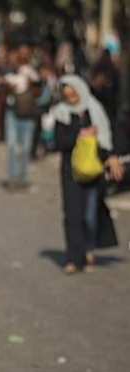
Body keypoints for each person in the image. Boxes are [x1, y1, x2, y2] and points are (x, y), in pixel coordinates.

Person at [53, 75, 120, 274]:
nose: (72, 99)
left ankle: (89, 248)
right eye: (67, 96)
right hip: (71, 171)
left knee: (90, 216)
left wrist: (110, 156)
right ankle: (74, 257)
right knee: (72, 215)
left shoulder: (95, 109)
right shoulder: (61, 113)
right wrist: (78, 135)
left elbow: (107, 136)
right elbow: (59, 142)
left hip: (94, 170)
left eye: (74, 95)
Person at [2, 43, 40, 190]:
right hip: (12, 111)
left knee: (25, 147)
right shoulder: (9, 70)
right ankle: (12, 178)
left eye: (26, 53)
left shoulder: (33, 72)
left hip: (28, 113)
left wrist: (31, 84)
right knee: (11, 145)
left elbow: (39, 93)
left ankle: (22, 178)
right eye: (21, 52)